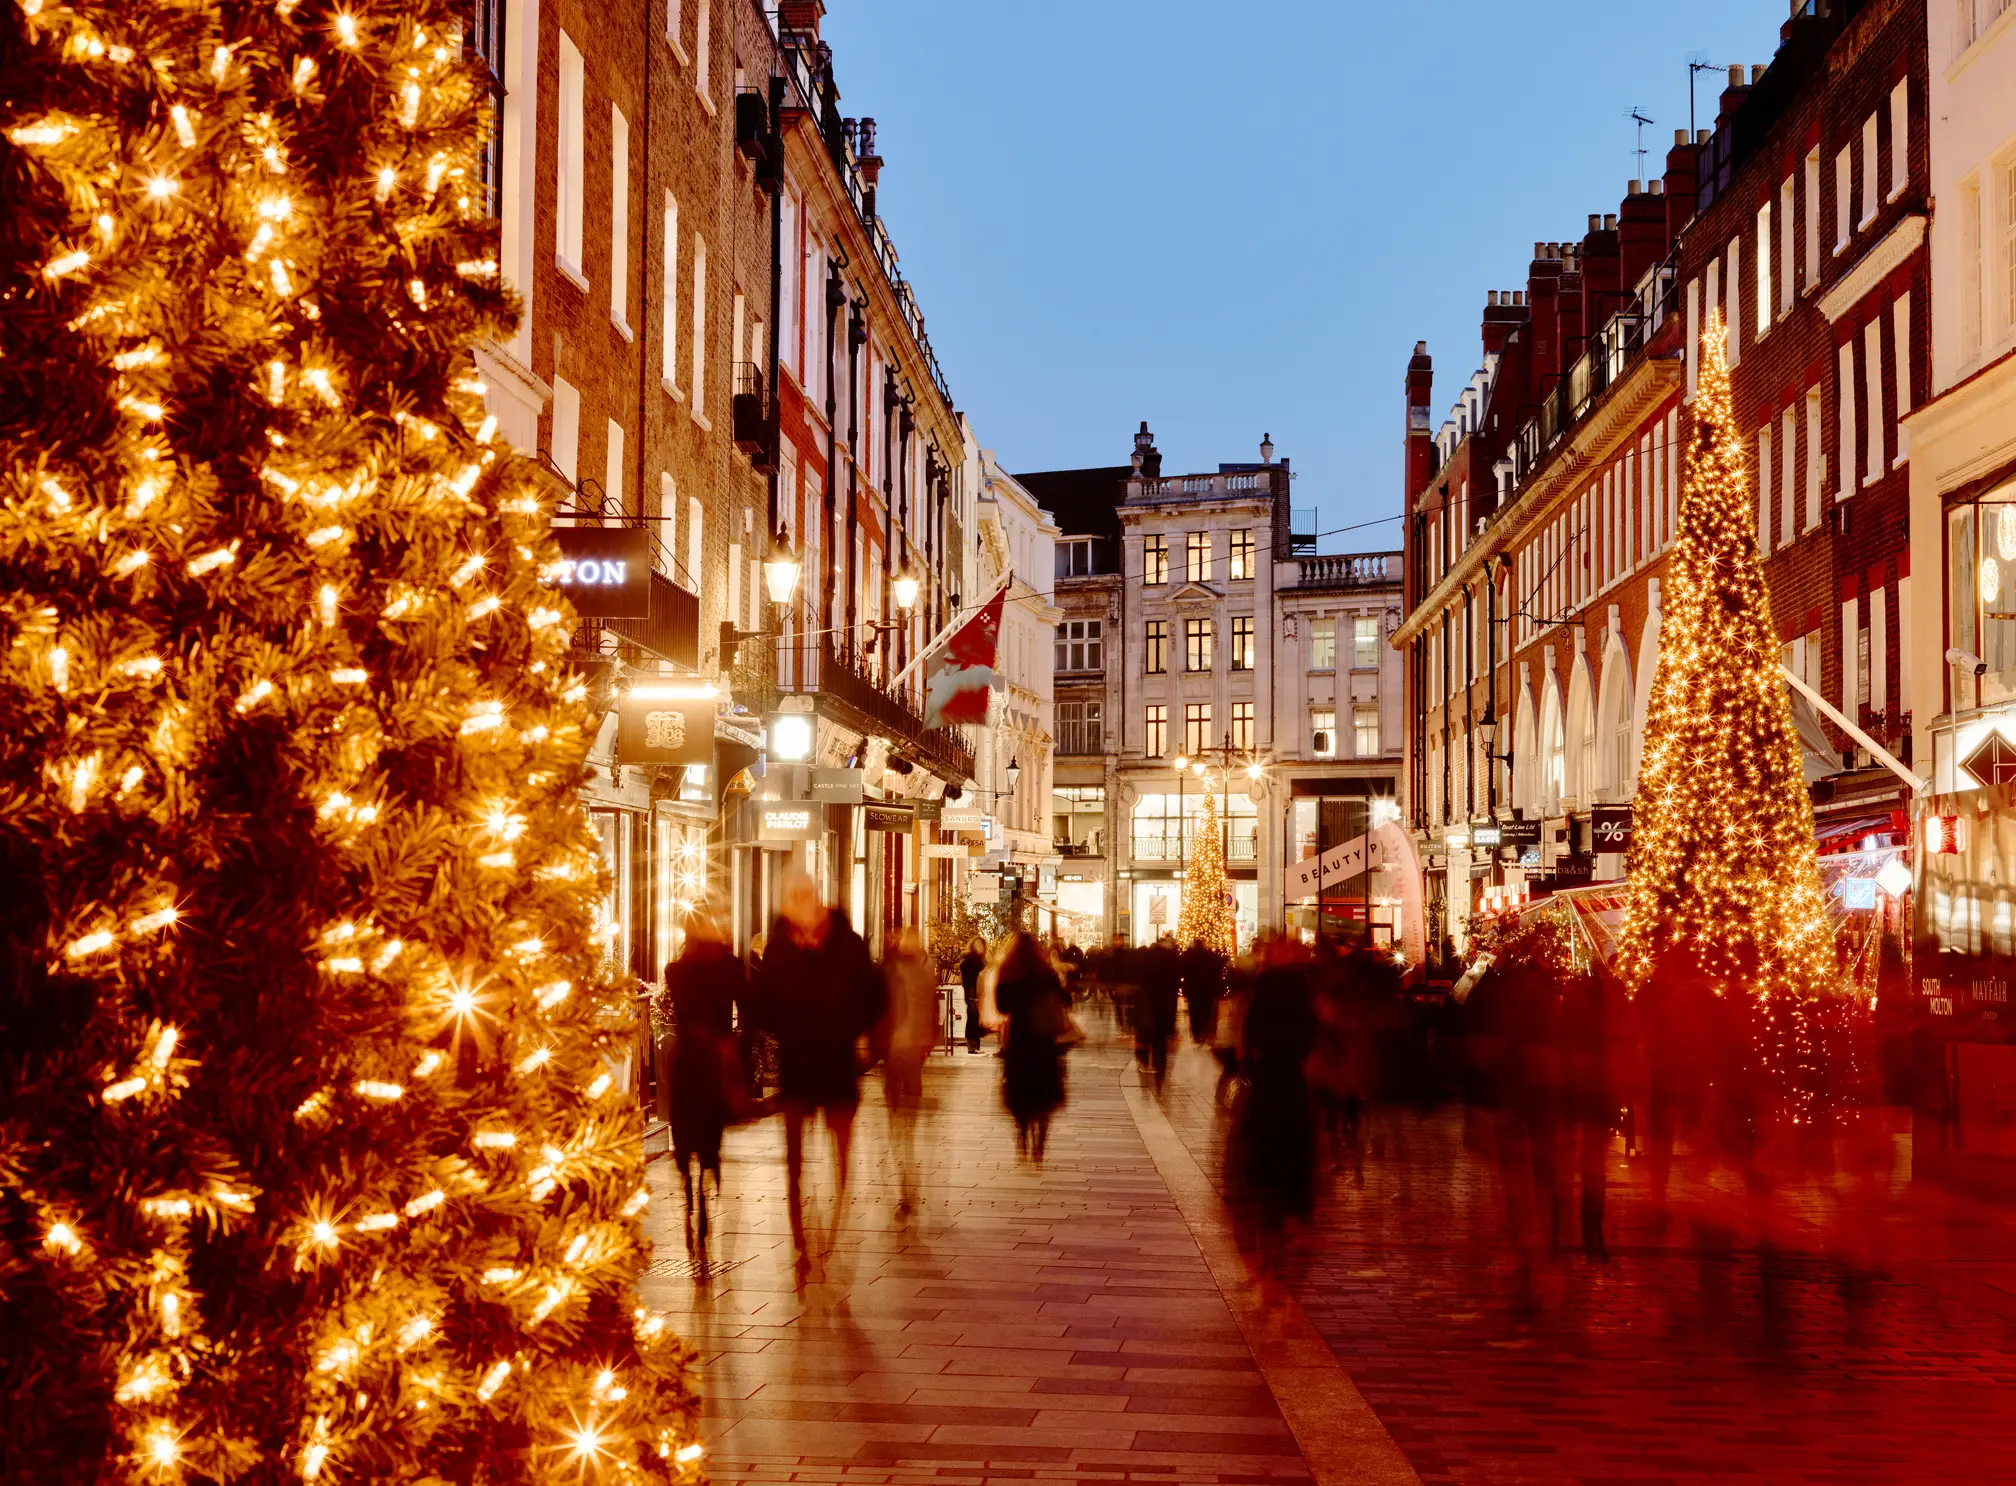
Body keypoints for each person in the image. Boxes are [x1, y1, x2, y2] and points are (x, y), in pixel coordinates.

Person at [751, 874, 886, 1280]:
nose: (800, 904)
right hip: (798, 1063)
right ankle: (801, 1238)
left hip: (837, 1063)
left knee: (840, 1153)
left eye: (805, 896)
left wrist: (852, 1031)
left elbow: (874, 994)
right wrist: (787, 1033)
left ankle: (832, 1228)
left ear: (817, 899)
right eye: (793, 897)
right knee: (794, 1159)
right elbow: (762, 1003)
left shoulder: (848, 943)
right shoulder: (777, 950)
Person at [664, 905, 746, 1247]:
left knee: (683, 1123)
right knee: (712, 1122)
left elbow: (682, 1008)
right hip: (716, 1057)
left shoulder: (675, 970)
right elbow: (747, 1004)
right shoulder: (729, 967)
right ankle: (706, 1175)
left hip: (687, 1057)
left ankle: (688, 1180)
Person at [991, 933, 1071, 1161]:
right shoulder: (1045, 971)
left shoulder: (1009, 971)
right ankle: (1040, 1141)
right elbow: (1062, 997)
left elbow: (1002, 1006)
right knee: (1044, 1089)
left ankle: (1022, 1132)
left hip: (1019, 1037)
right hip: (1043, 1038)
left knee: (1020, 1087)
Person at [881, 927, 938, 1217]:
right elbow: (932, 1010)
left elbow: (881, 1010)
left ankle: (904, 1170)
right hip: (913, 1049)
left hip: (898, 1048)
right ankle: (907, 1164)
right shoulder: (926, 971)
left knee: (897, 1113)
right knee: (908, 1109)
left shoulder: (892, 970)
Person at [1138, 935, 1182, 1092]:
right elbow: (1177, 979)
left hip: (1152, 1001)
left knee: (1150, 1032)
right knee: (1161, 1037)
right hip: (1167, 1003)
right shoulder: (1173, 957)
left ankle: (1146, 1060)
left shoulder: (1149, 956)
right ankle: (1160, 1065)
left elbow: (1144, 979)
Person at [1181, 939, 1225, 1047]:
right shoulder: (1210, 956)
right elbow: (1219, 966)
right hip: (1207, 988)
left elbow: (1184, 972)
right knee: (1206, 1011)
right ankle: (1204, 1031)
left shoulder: (1189, 957)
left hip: (1193, 989)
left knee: (1194, 1011)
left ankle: (1196, 1033)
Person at [958, 937, 987, 1053]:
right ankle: (973, 1046)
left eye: (981, 945)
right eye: (977, 945)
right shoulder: (972, 960)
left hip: (975, 991)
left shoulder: (978, 959)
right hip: (972, 990)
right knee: (973, 1016)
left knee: (974, 1017)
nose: (980, 947)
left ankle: (975, 1046)